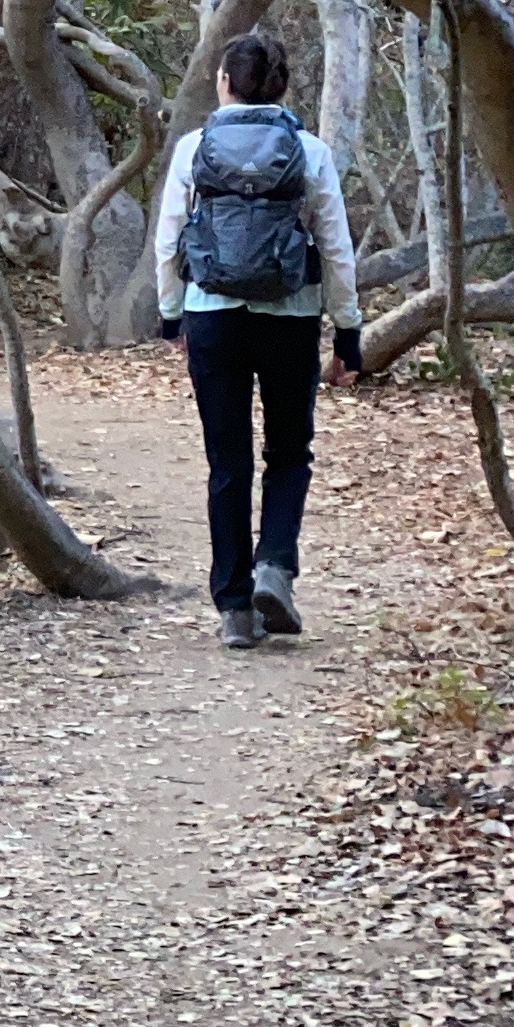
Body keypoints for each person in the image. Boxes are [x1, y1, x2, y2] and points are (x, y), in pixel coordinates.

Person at [152, 32, 361, 651]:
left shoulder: (195, 148)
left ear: (224, 83)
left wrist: (172, 316)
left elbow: (169, 239)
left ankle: (235, 609)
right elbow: (336, 247)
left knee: (228, 462)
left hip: (212, 317)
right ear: (281, 87)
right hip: (290, 318)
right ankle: (274, 569)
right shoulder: (309, 150)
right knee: (290, 452)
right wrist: (347, 332)